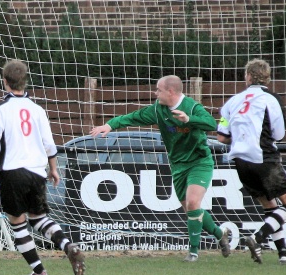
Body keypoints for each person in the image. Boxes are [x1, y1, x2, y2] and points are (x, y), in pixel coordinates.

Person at [90, 75, 231, 262]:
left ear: (170, 92)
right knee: (190, 209)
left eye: (158, 90)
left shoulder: (192, 107)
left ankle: (194, 252)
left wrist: (189, 119)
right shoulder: (158, 109)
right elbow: (134, 117)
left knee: (192, 203)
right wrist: (110, 124)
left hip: (199, 161)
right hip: (178, 165)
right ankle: (220, 234)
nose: (155, 93)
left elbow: (211, 124)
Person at [0, 60, 85, 275]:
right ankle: (68, 245)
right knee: (39, 218)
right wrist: (54, 169)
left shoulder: (0, 109)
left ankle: (39, 271)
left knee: (17, 221)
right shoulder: (37, 109)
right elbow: (49, 143)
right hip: (37, 171)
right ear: (25, 80)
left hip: (13, 171)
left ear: (5, 82)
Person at [217, 59, 286, 265]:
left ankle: (283, 255)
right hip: (263, 157)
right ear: (267, 77)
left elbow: (221, 136)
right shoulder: (271, 99)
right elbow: (279, 134)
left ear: (248, 76)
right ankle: (257, 237)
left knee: (270, 206)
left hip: (240, 161)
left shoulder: (232, 101)